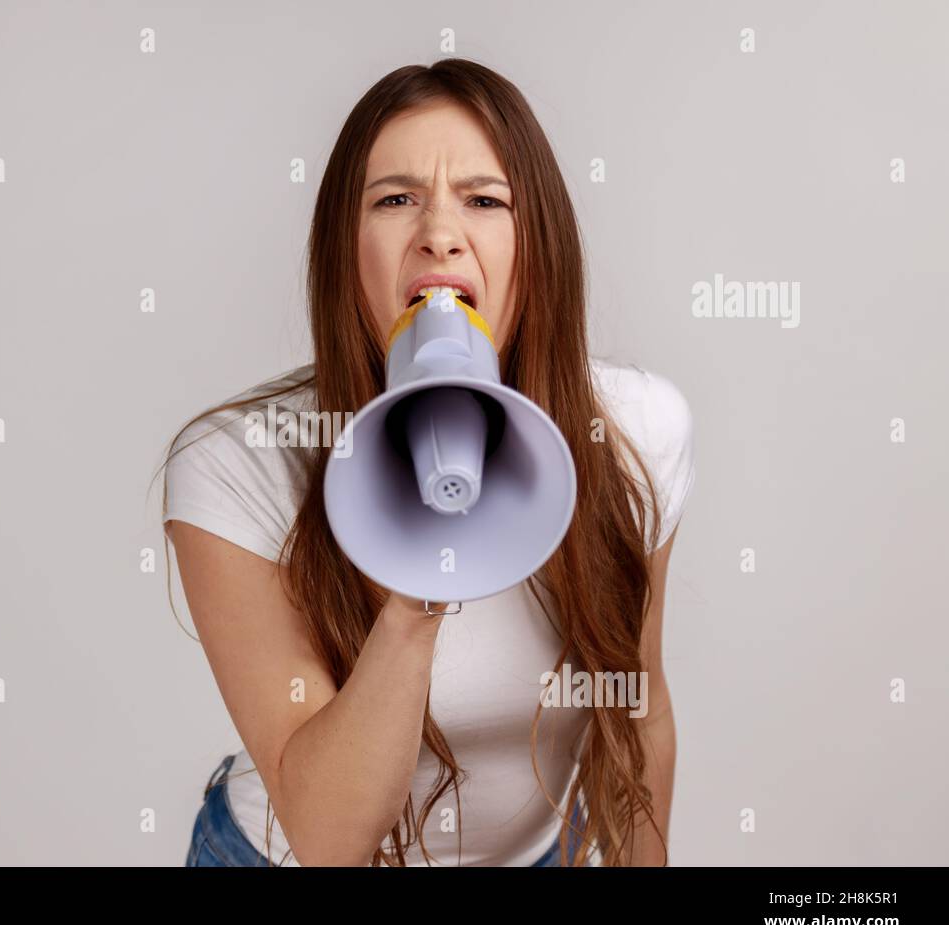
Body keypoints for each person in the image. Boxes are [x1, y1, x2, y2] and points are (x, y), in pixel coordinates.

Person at [160, 58, 695, 867]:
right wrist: (417, 580)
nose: (440, 231)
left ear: (538, 246)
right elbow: (330, 841)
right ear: (348, 251)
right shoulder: (236, 466)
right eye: (395, 199)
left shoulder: (634, 432)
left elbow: (639, 712)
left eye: (484, 200)